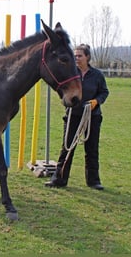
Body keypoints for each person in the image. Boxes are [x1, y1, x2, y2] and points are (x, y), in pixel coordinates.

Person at [46, 44, 109, 190]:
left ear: (87, 57)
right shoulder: (71, 74)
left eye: (80, 56)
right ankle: (59, 179)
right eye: (75, 56)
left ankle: (93, 181)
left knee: (92, 149)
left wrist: (96, 102)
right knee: (67, 148)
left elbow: (104, 92)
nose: (77, 58)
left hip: (91, 116)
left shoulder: (97, 75)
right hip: (73, 115)